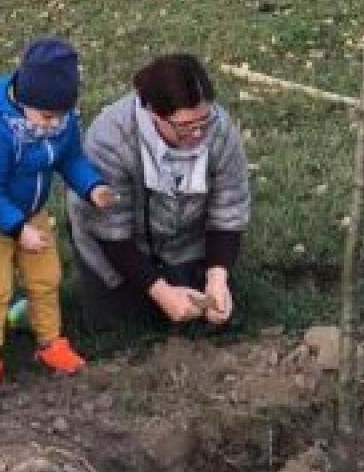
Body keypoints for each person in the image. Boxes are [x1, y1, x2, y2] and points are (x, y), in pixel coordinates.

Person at [0, 37, 114, 390]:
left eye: (61, 117)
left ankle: (50, 342)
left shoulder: (62, 123)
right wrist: (17, 229)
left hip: (31, 211)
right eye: (46, 117)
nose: (52, 125)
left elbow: (70, 158)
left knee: (46, 277)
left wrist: (92, 187)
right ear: (25, 99)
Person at [67, 54, 250, 332]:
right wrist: (161, 291)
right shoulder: (110, 139)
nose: (198, 134)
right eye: (185, 127)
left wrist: (217, 276)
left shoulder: (220, 130)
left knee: (212, 319)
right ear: (153, 112)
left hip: (186, 241)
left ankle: (191, 273)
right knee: (122, 327)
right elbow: (110, 230)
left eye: (204, 120)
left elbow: (228, 209)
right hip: (120, 247)